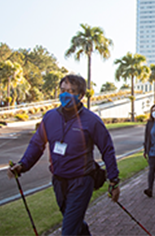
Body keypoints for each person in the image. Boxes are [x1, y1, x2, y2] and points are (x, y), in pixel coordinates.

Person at [7, 75, 120, 236]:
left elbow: (107, 149)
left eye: (71, 91)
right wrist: (23, 165)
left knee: (68, 230)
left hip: (82, 181)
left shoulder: (92, 121)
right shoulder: (50, 117)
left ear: (80, 95)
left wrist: (114, 180)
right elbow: (37, 144)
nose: (66, 94)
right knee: (74, 222)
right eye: (63, 90)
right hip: (58, 181)